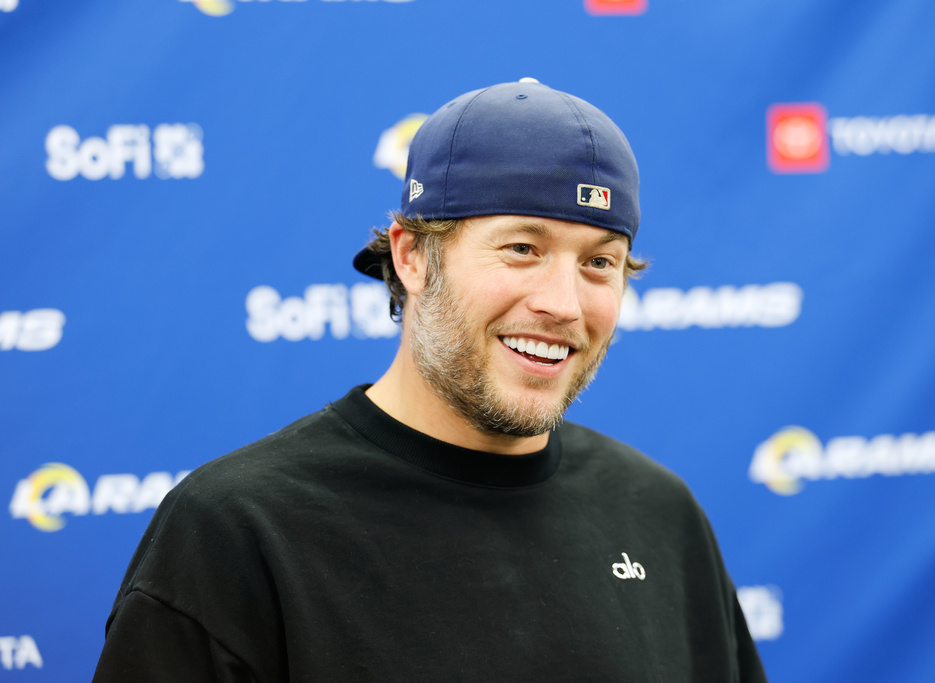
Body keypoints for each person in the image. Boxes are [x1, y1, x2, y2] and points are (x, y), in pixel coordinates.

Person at [93, 79, 768, 682]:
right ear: (413, 256)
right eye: (522, 248)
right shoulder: (238, 531)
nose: (564, 304)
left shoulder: (660, 513)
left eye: (600, 262)